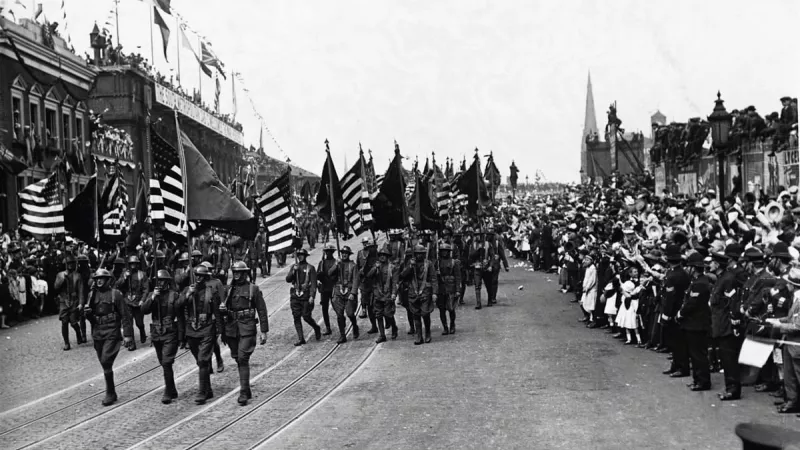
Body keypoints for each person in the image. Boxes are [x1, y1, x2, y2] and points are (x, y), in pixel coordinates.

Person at [219, 261, 268, 406]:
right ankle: (246, 387)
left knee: (242, 358)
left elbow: (262, 310)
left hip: (247, 327)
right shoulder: (228, 290)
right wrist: (222, 310)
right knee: (237, 357)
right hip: (232, 329)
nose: (236, 275)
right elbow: (223, 310)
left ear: (245, 273)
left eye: (239, 272)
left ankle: (243, 392)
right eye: (234, 272)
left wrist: (264, 331)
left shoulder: (253, 289)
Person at [82, 269, 133, 406]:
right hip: (98, 332)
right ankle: (112, 392)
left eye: (102, 278)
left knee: (106, 360)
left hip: (112, 331)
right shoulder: (92, 294)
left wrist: (127, 335)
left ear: (108, 280)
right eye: (97, 278)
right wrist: (87, 314)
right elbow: (91, 318)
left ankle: (109, 393)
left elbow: (125, 315)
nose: (99, 280)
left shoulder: (115, 294)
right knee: (104, 363)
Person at [179, 265, 222, 405]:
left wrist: (220, 331)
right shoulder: (187, 290)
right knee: (199, 360)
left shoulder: (211, 291)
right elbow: (177, 306)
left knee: (203, 360)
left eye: (201, 276)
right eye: (196, 275)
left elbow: (217, 312)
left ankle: (202, 391)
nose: (198, 278)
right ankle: (208, 389)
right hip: (191, 330)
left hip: (207, 328)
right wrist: (187, 295)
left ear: (205, 277)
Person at [140, 269, 184, 404]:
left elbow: (181, 316)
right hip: (156, 333)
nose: (161, 284)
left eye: (164, 281)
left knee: (166, 362)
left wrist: (182, 336)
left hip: (170, 332)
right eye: (159, 281)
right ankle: (173, 389)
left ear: (168, 282)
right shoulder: (152, 295)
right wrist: (153, 297)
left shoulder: (174, 295)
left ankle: (167, 392)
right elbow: (144, 310)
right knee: (163, 363)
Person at [678, 252, 712, 392]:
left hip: (697, 323)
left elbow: (692, 303)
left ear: (693, 268)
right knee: (695, 354)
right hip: (695, 323)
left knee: (698, 355)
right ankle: (698, 379)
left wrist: (681, 313)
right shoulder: (698, 282)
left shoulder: (700, 283)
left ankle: (702, 381)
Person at [401, 245, 438, 345]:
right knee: (415, 314)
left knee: (425, 313)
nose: (419, 256)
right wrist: (410, 267)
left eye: (421, 254)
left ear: (424, 254)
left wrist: (434, 292)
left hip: (425, 292)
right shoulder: (410, 263)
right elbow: (403, 275)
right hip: (413, 292)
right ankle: (418, 336)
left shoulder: (428, 264)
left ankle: (428, 332)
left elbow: (434, 278)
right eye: (417, 254)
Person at [286, 248, 321, 346]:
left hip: (306, 296)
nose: (300, 256)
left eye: (302, 255)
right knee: (296, 317)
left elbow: (314, 283)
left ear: (305, 256)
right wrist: (293, 271)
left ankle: (316, 327)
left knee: (306, 316)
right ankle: (301, 338)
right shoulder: (294, 267)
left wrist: (312, 296)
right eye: (299, 255)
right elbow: (288, 279)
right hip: (295, 296)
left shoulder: (310, 268)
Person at [329, 245, 360, 343]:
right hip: (338, 292)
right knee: (339, 314)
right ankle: (342, 335)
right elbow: (329, 273)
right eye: (342, 253)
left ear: (349, 255)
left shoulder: (353, 265)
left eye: (346, 253)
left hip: (349, 292)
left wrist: (353, 293)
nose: (344, 255)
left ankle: (354, 325)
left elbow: (356, 279)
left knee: (350, 313)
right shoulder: (337, 263)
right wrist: (336, 265)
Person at [54, 255, 85, 350]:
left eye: (72, 263)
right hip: (64, 301)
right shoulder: (60, 274)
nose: (71, 265)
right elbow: (56, 287)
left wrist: (81, 303)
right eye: (69, 263)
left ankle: (78, 332)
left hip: (74, 301)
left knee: (73, 322)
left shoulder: (78, 275)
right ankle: (66, 343)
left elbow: (81, 290)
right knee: (64, 322)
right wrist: (62, 280)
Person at [369, 245, 399, 342]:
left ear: (387, 256)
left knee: (388, 314)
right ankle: (382, 335)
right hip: (377, 294)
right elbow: (368, 276)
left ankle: (394, 327)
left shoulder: (392, 267)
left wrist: (394, 293)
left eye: (384, 255)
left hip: (387, 294)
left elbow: (395, 282)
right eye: (381, 255)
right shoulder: (376, 266)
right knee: (378, 315)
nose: (382, 257)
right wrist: (375, 269)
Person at [436, 244, 461, 335]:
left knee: (451, 309)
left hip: (451, 288)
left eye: (446, 251)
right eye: (442, 251)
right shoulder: (437, 263)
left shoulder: (454, 262)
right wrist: (437, 273)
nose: (444, 252)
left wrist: (458, 290)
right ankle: (445, 327)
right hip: (441, 288)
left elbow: (458, 277)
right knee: (442, 309)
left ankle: (452, 325)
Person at [316, 243, 336, 336]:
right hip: (324, 289)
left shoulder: (335, 262)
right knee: (324, 309)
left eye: (330, 252)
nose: (328, 253)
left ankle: (341, 320)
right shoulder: (321, 263)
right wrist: (320, 275)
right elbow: (317, 276)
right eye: (326, 252)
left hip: (333, 288)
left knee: (336, 307)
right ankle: (328, 327)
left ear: (332, 252)